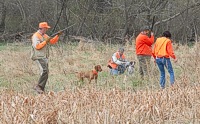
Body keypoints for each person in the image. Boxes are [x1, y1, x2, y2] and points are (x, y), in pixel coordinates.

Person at [31, 22, 61, 94]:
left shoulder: (45, 35)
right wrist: (45, 42)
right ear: (43, 28)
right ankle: (38, 86)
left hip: (44, 56)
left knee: (46, 72)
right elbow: (37, 46)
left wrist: (57, 36)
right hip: (38, 56)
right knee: (45, 71)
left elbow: (52, 41)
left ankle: (41, 89)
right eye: (46, 28)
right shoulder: (36, 36)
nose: (47, 29)